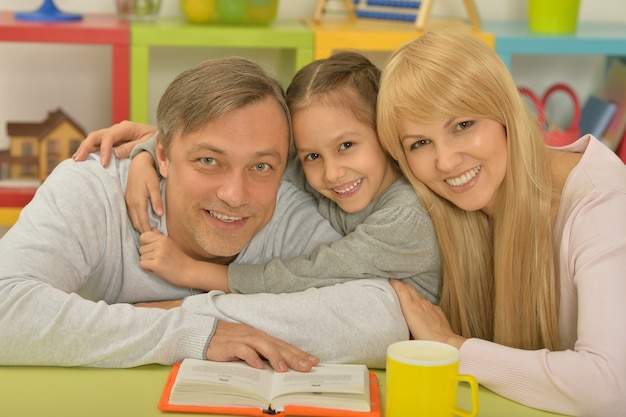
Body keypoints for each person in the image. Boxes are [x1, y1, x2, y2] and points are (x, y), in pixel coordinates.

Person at [0, 57, 408, 369]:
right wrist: (191, 336)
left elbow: (381, 318)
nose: (235, 194)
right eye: (209, 161)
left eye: (261, 166)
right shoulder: (91, 189)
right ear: (161, 153)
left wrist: (189, 313)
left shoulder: (289, 209)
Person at [376, 30, 626, 416]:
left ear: (505, 112)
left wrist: (453, 347)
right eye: (419, 144)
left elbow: (608, 387)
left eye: (462, 125)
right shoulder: (449, 212)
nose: (445, 162)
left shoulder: (602, 205)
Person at [76, 52, 441, 300]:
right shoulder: (324, 170)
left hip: (417, 352)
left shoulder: (408, 217)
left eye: (347, 145)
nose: (331, 172)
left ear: (387, 134)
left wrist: (195, 273)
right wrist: (149, 153)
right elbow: (242, 149)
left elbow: (312, 274)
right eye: (312, 154)